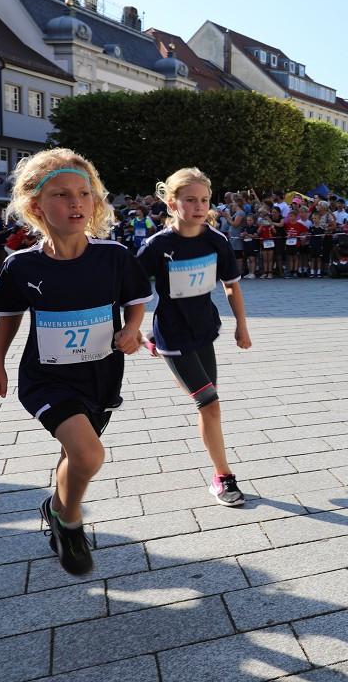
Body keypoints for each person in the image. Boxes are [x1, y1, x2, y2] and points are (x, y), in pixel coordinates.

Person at [0, 148, 152, 575]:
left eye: (84, 192)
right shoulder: (20, 266)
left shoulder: (114, 255)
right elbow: (9, 317)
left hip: (101, 376)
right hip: (46, 379)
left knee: (76, 453)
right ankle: (69, 521)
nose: (75, 202)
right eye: (61, 194)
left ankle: (56, 505)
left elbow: (136, 301)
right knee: (89, 454)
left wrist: (131, 330)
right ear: (37, 206)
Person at [137, 167, 251, 506]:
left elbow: (231, 286)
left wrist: (241, 326)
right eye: (190, 200)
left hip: (204, 330)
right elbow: (131, 291)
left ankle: (158, 350)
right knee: (209, 403)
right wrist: (127, 327)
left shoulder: (217, 241)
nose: (199, 206)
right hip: (173, 332)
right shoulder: (157, 245)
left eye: (204, 199)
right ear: (172, 203)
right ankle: (223, 477)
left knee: (206, 403)